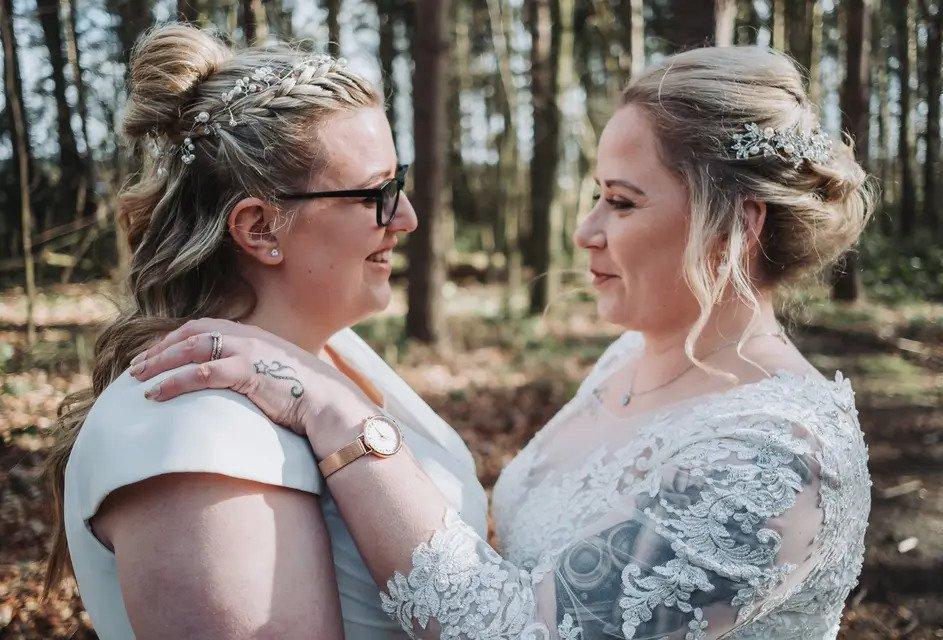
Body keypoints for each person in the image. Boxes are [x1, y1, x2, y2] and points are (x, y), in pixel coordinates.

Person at [136, 46, 875, 639]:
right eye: (595, 193)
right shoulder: (630, 359)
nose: (586, 230)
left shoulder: (776, 454)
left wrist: (346, 422)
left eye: (621, 201)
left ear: (736, 226)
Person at [45, 23, 487, 640]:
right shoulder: (189, 433)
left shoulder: (328, 355)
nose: (406, 218)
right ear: (259, 229)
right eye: (376, 194)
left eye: (400, 182)